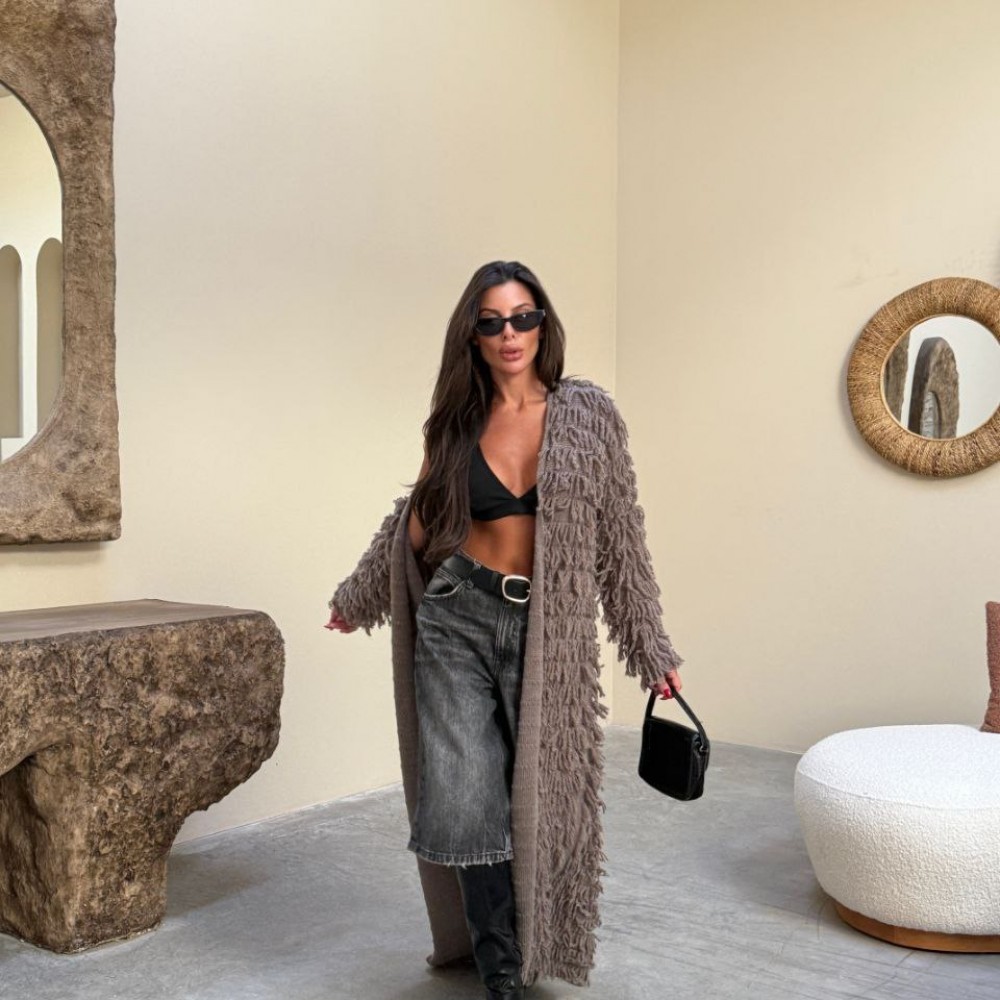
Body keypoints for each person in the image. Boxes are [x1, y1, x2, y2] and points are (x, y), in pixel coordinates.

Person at [327, 260, 683, 997]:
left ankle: (535, 943)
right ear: (473, 335)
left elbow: (621, 538)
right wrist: (360, 595)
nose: (509, 334)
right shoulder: (456, 422)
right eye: (491, 322)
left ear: (543, 324)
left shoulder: (586, 415)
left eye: (523, 318)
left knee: (543, 798)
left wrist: (650, 648)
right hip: (456, 615)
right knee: (465, 796)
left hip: (546, 630)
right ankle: (501, 974)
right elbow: (414, 519)